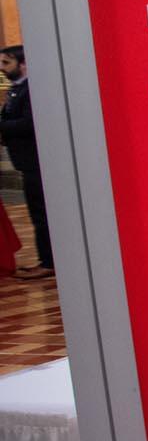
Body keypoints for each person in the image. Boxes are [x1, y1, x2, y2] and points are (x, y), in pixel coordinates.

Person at [1, 45, 52, 280]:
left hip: (36, 160)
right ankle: (46, 258)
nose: (2, 69)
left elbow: (30, 123)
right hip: (25, 161)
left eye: (6, 63)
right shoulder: (16, 90)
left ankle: (48, 262)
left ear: (22, 64)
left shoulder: (31, 90)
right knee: (36, 212)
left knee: (42, 213)